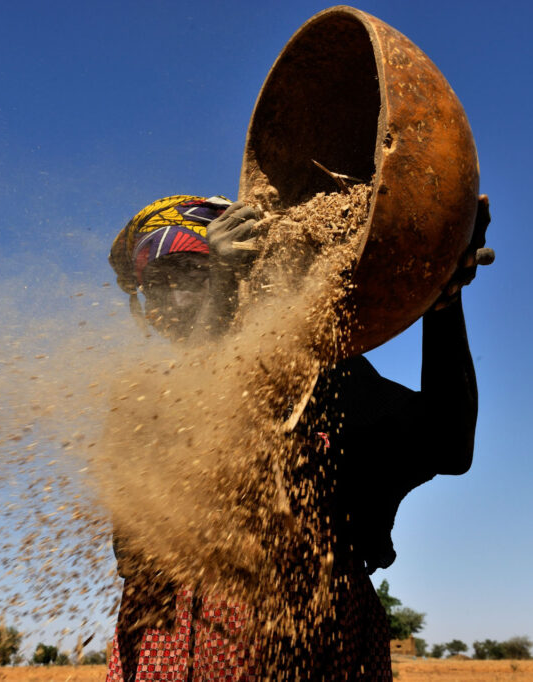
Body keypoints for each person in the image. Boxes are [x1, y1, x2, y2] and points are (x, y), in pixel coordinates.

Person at [105, 193, 492, 681]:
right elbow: (195, 426)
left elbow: (449, 445)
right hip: (182, 637)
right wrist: (221, 290)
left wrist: (444, 300)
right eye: (156, 285)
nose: (173, 299)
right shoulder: (142, 398)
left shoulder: (319, 379)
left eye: (190, 273)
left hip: (326, 639)